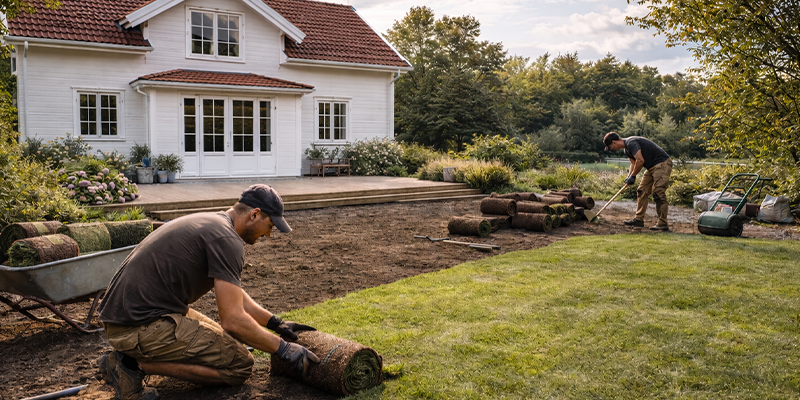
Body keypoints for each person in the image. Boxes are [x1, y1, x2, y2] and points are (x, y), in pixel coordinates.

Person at [97, 184, 320, 400]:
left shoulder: (214, 223)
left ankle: (130, 359)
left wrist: (274, 323)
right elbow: (232, 321)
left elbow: (234, 293)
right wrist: (283, 349)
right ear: (255, 214)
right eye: (270, 226)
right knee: (240, 365)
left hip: (133, 316)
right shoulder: (227, 240)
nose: (269, 235)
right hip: (136, 325)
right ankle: (130, 365)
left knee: (234, 346)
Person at [603, 132, 673, 231]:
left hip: (662, 164)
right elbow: (634, 163)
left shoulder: (631, 143)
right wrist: (629, 177)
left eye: (610, 147)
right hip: (651, 167)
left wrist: (633, 175)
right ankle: (638, 219)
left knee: (658, 192)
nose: (611, 149)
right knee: (641, 190)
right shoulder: (626, 150)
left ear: (613, 143)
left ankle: (663, 223)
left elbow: (640, 161)